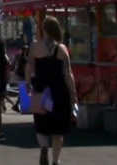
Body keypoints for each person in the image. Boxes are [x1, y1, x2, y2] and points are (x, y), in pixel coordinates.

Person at [26, 17, 78, 165]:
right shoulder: (62, 49)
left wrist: (28, 83)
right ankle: (55, 160)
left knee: (41, 124)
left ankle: (43, 147)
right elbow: (68, 74)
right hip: (58, 92)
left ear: (44, 29)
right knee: (58, 128)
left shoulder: (35, 47)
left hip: (41, 90)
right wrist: (73, 94)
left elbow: (29, 66)